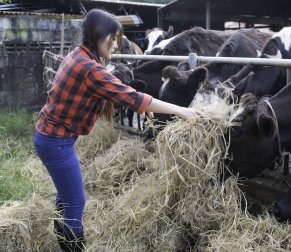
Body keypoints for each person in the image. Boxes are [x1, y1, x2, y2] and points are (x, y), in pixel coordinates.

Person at [33, 9, 201, 252]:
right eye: (111, 38)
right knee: (76, 201)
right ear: (97, 36)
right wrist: (181, 111)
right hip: (55, 141)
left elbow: (119, 92)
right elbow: (129, 95)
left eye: (117, 38)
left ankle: (61, 233)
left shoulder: (79, 56)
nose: (115, 44)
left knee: (66, 195)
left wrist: (142, 105)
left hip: (51, 137)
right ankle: (73, 246)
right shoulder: (90, 68)